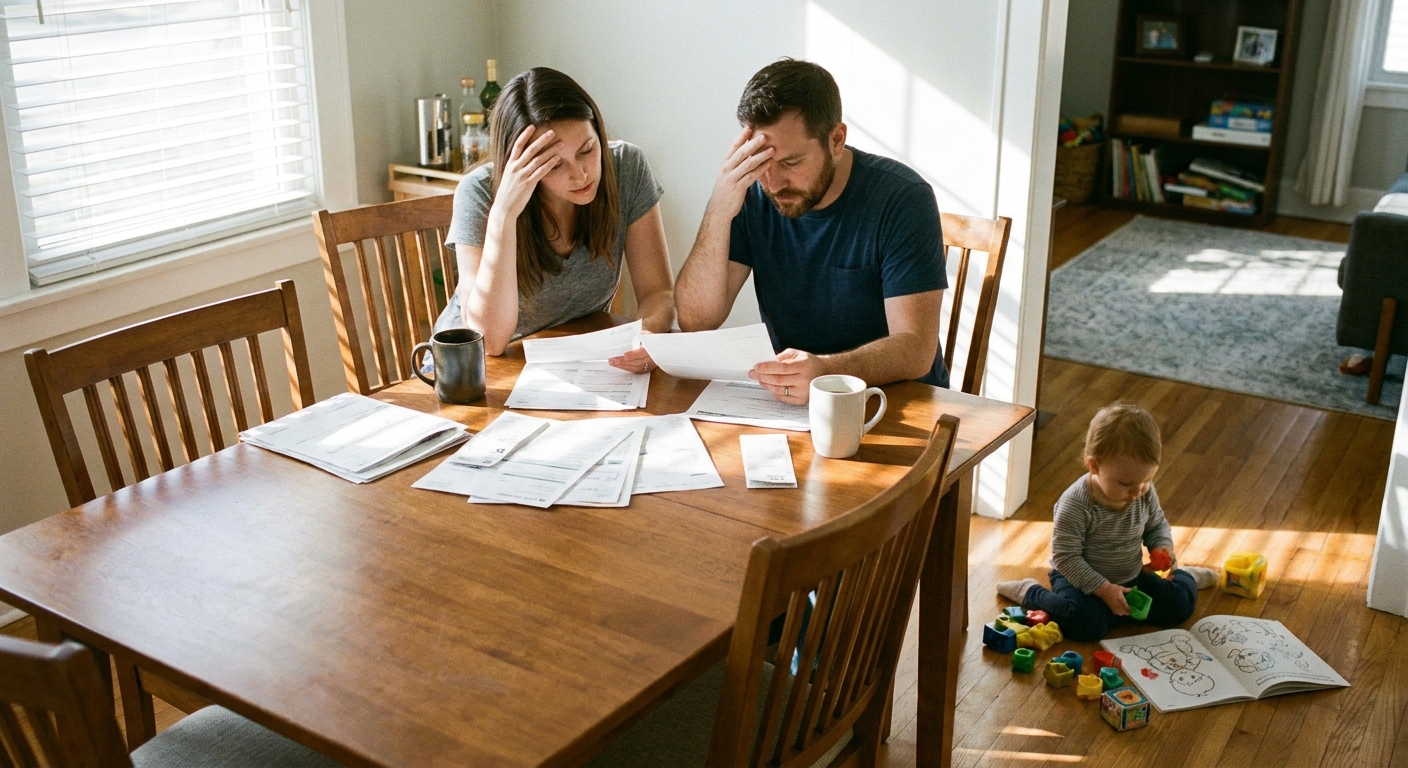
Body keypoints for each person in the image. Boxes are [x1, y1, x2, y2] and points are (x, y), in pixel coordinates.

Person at [664, 58, 948, 404]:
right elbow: (697, 321)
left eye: (791, 163)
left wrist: (827, 372)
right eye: (762, 161)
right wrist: (719, 209)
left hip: (895, 401)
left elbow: (916, 348)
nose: (772, 181)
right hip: (793, 401)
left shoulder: (903, 198)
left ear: (836, 140)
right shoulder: (752, 194)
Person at [433, 67, 674, 370]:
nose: (581, 174)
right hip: (476, 368)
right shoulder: (479, 192)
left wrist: (648, 333)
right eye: (555, 165)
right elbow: (489, 340)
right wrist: (503, 216)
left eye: (587, 149)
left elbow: (658, 292)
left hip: (571, 358)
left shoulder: (627, 167)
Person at [995, 404, 1219, 642]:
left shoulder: (1142, 489)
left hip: (1131, 576)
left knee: (1179, 606)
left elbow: (1156, 525)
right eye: (1125, 484)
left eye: (1147, 480)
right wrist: (1104, 589)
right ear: (1094, 465)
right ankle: (1030, 592)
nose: (1137, 491)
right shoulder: (1075, 503)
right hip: (1081, 582)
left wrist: (1161, 547)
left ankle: (1187, 578)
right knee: (1086, 624)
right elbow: (1065, 558)